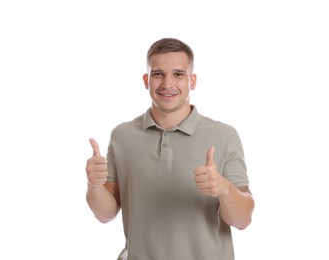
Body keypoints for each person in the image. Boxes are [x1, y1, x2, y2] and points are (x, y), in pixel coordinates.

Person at [85, 38, 255, 260]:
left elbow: (242, 220)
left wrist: (224, 188)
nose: (167, 84)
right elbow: (105, 214)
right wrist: (94, 185)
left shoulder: (224, 135)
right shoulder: (122, 136)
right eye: (158, 74)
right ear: (146, 80)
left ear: (192, 81)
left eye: (178, 74)